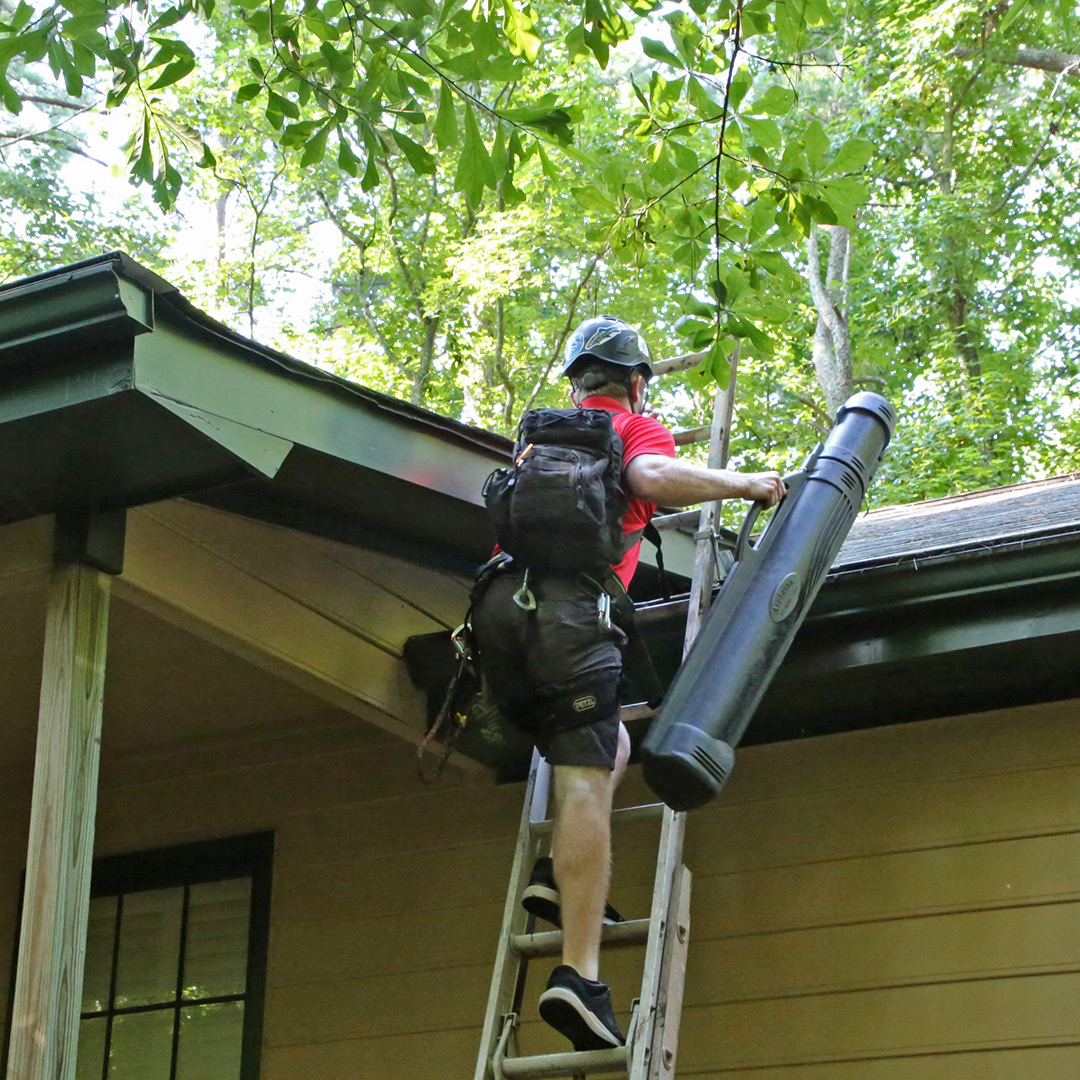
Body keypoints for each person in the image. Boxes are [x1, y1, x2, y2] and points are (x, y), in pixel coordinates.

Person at [471, 315, 785, 1052]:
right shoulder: (632, 429)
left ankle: (554, 875)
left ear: (577, 378)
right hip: (573, 620)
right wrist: (743, 483)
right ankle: (577, 976)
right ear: (636, 382)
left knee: (603, 747)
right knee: (584, 783)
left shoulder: (538, 441)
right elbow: (649, 479)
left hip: (498, 620)